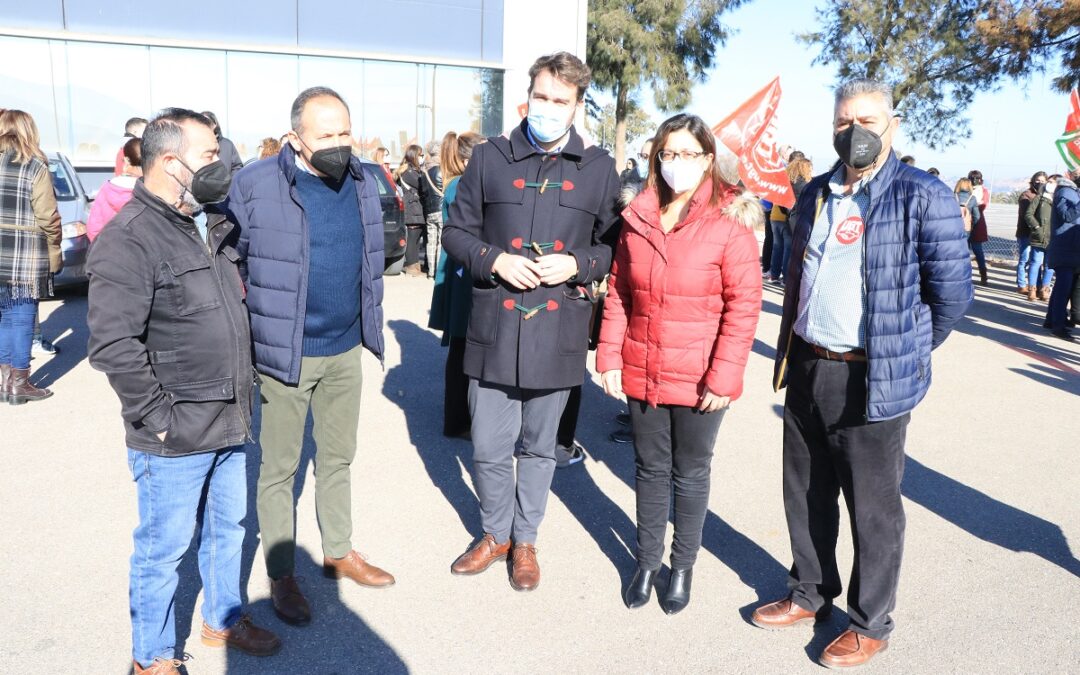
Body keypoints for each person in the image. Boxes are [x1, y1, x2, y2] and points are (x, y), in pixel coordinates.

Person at [752, 79, 972, 669]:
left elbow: (951, 296)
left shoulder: (922, 196)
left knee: (872, 508)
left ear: (892, 125)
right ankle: (809, 593)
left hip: (871, 379)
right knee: (804, 491)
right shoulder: (817, 193)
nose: (856, 133)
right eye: (845, 122)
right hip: (806, 363)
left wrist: (904, 352)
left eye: (868, 121)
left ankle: (870, 621)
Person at [86, 108, 280, 675]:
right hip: (173, 432)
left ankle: (222, 618)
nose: (221, 164)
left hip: (231, 415)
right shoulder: (128, 239)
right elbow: (112, 345)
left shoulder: (210, 222)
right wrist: (159, 416)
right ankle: (151, 658)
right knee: (163, 551)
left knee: (229, 530)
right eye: (209, 155)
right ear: (171, 162)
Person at [442, 51, 621, 591]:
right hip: (495, 321)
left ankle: (526, 541)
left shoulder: (599, 168)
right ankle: (494, 534)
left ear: (577, 105)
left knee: (542, 448)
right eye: (541, 96)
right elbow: (455, 232)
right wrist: (494, 260)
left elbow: (612, 247)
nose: (547, 107)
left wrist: (578, 263)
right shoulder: (490, 157)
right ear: (529, 94)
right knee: (489, 445)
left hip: (557, 326)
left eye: (560, 101)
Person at [226, 86, 394, 627]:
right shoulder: (255, 184)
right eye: (327, 135)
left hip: (345, 349)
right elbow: (228, 256)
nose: (340, 144)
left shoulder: (364, 180)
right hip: (286, 356)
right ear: (296, 138)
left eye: (346, 132)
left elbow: (372, 253)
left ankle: (338, 550)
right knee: (280, 468)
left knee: (338, 458)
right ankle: (281, 573)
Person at [596, 113, 762, 614]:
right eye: (668, 153)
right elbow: (621, 295)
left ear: (709, 159)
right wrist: (608, 356)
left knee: (690, 474)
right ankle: (646, 561)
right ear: (656, 158)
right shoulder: (637, 218)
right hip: (642, 367)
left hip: (701, 379)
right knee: (649, 469)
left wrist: (725, 375)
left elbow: (743, 307)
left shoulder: (728, 225)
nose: (677, 163)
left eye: (689, 153)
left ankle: (683, 565)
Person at [0, 109, 61, 404]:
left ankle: (5, 382)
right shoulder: (35, 166)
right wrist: (55, 247)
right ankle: (20, 384)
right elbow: (48, 216)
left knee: (3, 316)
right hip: (25, 250)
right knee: (21, 317)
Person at [429, 130, 486, 439]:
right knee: (463, 349)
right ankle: (457, 421)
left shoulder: (459, 183)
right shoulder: (461, 186)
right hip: (465, 272)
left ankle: (460, 419)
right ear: (467, 160)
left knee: (463, 348)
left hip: (462, 270)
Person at [1044, 168, 1080, 341]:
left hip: (1071, 248)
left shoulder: (1071, 192)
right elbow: (1067, 215)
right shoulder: (1065, 191)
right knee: (1062, 288)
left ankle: (1051, 320)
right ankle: (1057, 326)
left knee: (1061, 286)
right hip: (1065, 248)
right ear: (1071, 175)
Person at [88, 137, 142, 242]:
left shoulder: (108, 189)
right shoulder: (151, 191)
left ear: (126, 160)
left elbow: (94, 227)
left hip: (109, 251)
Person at [1020, 173, 1055, 301]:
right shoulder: (1039, 198)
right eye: (1049, 182)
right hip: (1038, 237)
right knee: (1035, 263)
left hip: (1053, 239)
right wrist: (1037, 228)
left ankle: (1044, 289)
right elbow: (1028, 214)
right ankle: (1032, 289)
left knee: (1049, 265)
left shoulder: (1059, 199)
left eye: (1053, 182)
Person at [395, 144, 428, 276]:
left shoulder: (414, 170)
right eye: (420, 155)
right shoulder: (408, 172)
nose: (422, 157)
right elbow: (422, 186)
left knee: (416, 237)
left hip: (416, 208)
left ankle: (415, 266)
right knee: (413, 239)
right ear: (413, 156)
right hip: (412, 208)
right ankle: (411, 267)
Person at [421, 139, 445, 279]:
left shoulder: (424, 171)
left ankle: (430, 271)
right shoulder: (442, 170)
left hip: (429, 210)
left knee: (431, 242)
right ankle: (438, 272)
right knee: (440, 242)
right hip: (441, 209)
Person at [954, 177, 983, 285]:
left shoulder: (953, 196)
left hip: (953, 228)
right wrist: (972, 225)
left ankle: (955, 275)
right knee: (965, 252)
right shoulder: (972, 198)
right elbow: (977, 216)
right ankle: (979, 275)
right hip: (966, 229)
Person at [200, 111, 244, 176]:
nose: (205, 125)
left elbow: (237, 167)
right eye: (201, 123)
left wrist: (231, 182)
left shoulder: (227, 145)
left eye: (207, 122)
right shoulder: (193, 146)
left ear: (215, 125)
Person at [967, 169, 990, 285]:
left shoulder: (984, 191)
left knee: (978, 251)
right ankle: (965, 275)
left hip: (977, 223)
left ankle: (983, 275)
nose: (975, 180)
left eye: (977, 178)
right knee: (964, 252)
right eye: (973, 178)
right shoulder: (966, 190)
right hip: (965, 223)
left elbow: (983, 206)